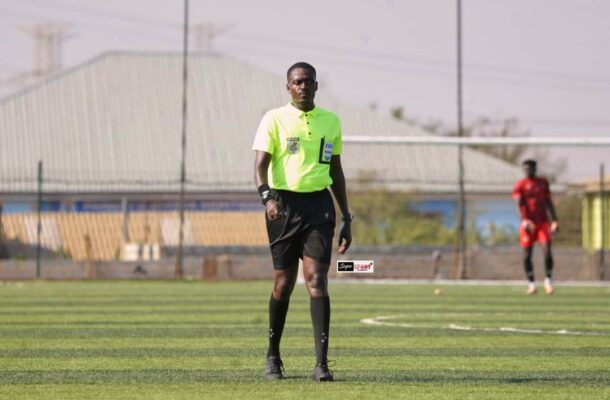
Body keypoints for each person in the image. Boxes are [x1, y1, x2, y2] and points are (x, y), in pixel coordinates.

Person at [252, 62, 352, 381]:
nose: (303, 86)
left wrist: (346, 216)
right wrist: (267, 198)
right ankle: (273, 356)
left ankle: (321, 364)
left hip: (319, 207)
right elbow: (259, 167)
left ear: (317, 86)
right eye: (297, 82)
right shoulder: (274, 119)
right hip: (283, 207)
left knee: (316, 280)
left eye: (308, 81)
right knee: (283, 284)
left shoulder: (331, 122)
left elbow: (335, 171)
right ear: (288, 87)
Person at [512, 160, 559, 295]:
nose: (527, 171)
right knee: (527, 255)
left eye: (529, 168)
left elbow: (548, 202)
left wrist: (555, 220)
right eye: (525, 169)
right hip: (528, 224)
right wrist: (524, 221)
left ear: (535, 169)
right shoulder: (520, 185)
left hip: (542, 223)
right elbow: (518, 204)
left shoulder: (543, 183)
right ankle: (531, 284)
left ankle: (548, 281)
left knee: (547, 251)